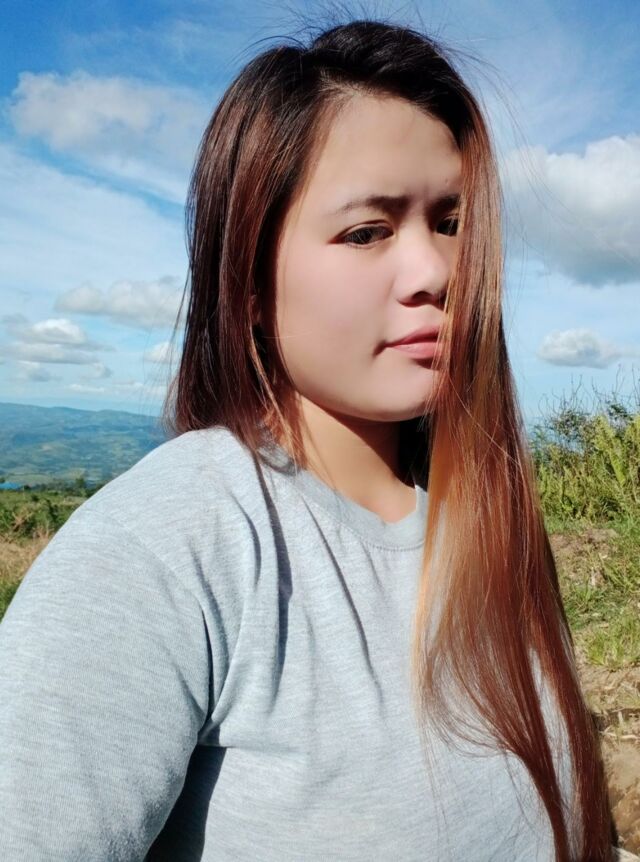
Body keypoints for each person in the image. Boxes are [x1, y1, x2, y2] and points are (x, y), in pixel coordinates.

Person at [0, 18, 617, 862]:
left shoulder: (486, 525)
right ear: (248, 282)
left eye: (451, 221)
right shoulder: (165, 550)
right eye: (367, 231)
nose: (437, 271)